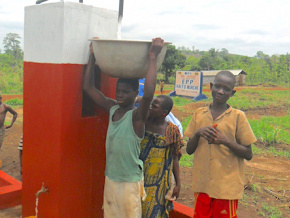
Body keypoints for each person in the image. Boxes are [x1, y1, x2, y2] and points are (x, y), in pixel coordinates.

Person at [83, 38, 164, 217]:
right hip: (111, 178)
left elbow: (149, 94)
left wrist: (152, 57)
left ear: (136, 94)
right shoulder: (111, 108)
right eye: (118, 90)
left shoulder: (137, 117)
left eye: (126, 92)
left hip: (129, 182)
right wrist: (92, 56)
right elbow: (88, 87)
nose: (120, 94)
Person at [185, 71, 256, 218]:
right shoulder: (199, 113)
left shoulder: (238, 116)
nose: (221, 91)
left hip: (226, 187)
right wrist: (198, 133)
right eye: (217, 86)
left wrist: (226, 141)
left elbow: (248, 154)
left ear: (232, 93)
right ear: (211, 86)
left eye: (226, 89)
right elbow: (189, 150)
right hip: (202, 184)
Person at [140, 95, 183, 218]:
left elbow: (175, 158)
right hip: (138, 178)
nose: (150, 107)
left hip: (158, 185)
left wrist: (178, 184)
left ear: (164, 112)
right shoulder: (142, 123)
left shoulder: (171, 130)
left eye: (154, 106)